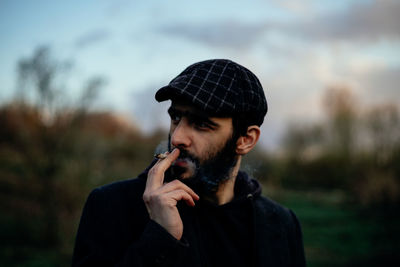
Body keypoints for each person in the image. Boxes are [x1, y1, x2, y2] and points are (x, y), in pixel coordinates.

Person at [72, 59, 306, 267]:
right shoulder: (113, 206)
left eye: (202, 124)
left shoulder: (281, 222)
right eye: (176, 117)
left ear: (245, 140)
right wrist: (160, 237)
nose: (176, 138)